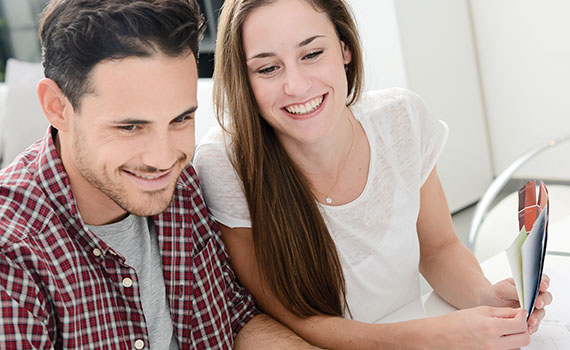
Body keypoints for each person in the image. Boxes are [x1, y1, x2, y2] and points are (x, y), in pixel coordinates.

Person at [193, 0, 553, 348]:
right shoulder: (227, 164)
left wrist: (483, 295)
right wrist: (430, 337)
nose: (296, 85)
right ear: (245, 79)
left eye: (312, 54)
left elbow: (439, 248)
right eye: (268, 68)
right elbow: (296, 319)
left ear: (345, 47)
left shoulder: (402, 119)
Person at [0, 0, 320, 349]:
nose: (164, 158)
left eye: (181, 119)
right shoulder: (11, 255)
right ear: (57, 107)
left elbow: (234, 316)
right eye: (131, 126)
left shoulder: (181, 186)